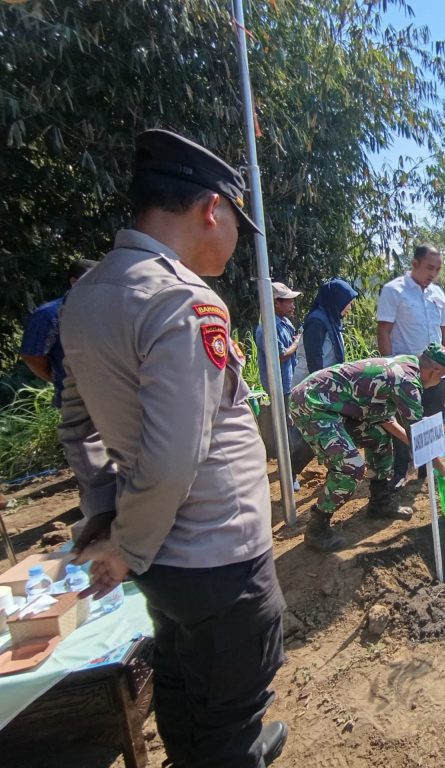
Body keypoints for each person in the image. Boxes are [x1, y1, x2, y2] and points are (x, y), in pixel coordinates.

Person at [58, 129, 287, 766]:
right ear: (211, 208)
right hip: (219, 556)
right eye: (237, 222)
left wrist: (107, 515)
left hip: (167, 562)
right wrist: (124, 548)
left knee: (184, 685)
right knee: (229, 711)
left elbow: (77, 426)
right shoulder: (181, 300)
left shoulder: (86, 297)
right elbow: (172, 458)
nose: (236, 240)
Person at [289, 344, 445, 551]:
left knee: (379, 437)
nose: (442, 382)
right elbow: (421, 438)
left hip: (335, 404)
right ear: (435, 371)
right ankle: (317, 526)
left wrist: (422, 450)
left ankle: (379, 501)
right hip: (313, 403)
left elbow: (389, 422)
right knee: (351, 467)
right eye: (443, 376)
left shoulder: (409, 365)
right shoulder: (407, 383)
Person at [377, 244, 445, 487]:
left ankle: (427, 470)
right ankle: (401, 471)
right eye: (429, 268)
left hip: (437, 372)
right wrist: (389, 370)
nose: (433, 273)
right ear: (414, 264)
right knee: (406, 421)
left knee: (433, 421)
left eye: (437, 269)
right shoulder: (394, 291)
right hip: (407, 374)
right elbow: (384, 332)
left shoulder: (438, 294)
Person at [20, 259, 98, 407]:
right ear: (74, 282)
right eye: (93, 280)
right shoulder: (48, 314)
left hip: (111, 398)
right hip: (75, 401)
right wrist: (59, 379)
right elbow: (31, 356)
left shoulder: (106, 310)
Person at [256, 280, 304, 491]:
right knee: (288, 429)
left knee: (292, 425)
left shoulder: (283, 322)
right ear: (276, 303)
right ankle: (289, 473)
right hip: (279, 385)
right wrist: (297, 342)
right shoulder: (268, 327)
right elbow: (281, 355)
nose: (293, 306)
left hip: (289, 382)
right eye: (289, 302)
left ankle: (289, 469)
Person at [292, 278, 359, 383]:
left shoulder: (331, 319)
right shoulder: (316, 321)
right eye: (348, 303)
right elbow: (314, 360)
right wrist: (321, 387)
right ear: (338, 300)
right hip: (310, 386)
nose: (349, 308)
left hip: (325, 383)